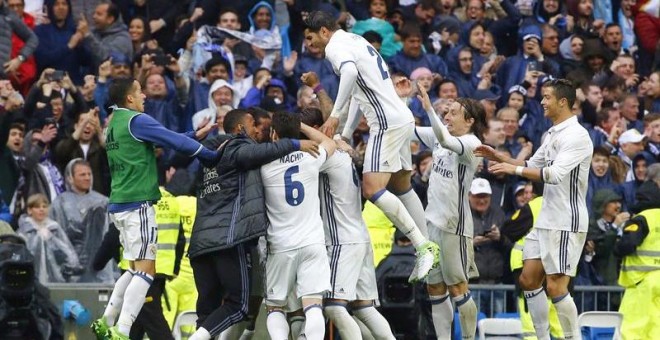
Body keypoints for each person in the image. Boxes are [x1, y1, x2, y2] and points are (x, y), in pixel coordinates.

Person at [303, 10, 439, 282]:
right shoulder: (356, 41)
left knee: (372, 188)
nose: (308, 44)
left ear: (325, 32)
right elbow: (357, 90)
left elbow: (350, 74)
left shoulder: (335, 48)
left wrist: (335, 116)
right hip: (400, 118)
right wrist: (348, 132)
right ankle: (430, 245)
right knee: (401, 186)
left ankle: (423, 246)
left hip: (385, 124)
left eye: (310, 37)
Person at [90, 77, 219, 340]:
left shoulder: (113, 124)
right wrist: (211, 155)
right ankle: (122, 331)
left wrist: (193, 135)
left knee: (133, 268)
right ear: (129, 98)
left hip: (119, 204)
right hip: (139, 203)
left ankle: (106, 320)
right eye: (139, 91)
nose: (144, 96)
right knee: (147, 272)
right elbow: (173, 142)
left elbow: (162, 139)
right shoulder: (136, 120)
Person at [475, 78, 593, 340]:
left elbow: (553, 174)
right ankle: (542, 338)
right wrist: (497, 156)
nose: (542, 102)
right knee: (528, 279)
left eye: (547, 97)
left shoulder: (577, 136)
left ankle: (573, 338)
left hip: (566, 220)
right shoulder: (551, 133)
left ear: (563, 101)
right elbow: (528, 163)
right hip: (546, 219)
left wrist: (513, 169)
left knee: (556, 286)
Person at [187, 109, 318, 340]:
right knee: (238, 305)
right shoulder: (236, 146)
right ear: (240, 129)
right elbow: (252, 155)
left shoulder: (208, 155)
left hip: (201, 242)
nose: (258, 131)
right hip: (228, 238)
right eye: (253, 125)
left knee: (207, 313)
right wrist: (296, 144)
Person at [300, 108, 395, 340]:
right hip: (359, 237)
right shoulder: (341, 152)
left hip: (342, 240)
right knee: (364, 309)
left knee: (333, 307)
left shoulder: (326, 156)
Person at [414, 84, 487, 340]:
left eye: (453, 112)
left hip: (453, 226)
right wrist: (398, 99)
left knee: (458, 287)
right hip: (431, 224)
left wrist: (427, 108)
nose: (447, 116)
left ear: (469, 120)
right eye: (446, 112)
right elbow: (409, 131)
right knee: (435, 287)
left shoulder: (471, 143)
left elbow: (444, 139)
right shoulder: (440, 134)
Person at [261, 112, 335, 340]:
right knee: (313, 306)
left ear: (273, 134)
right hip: (312, 242)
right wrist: (300, 126)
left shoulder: (264, 167)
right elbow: (329, 142)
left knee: (275, 308)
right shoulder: (311, 157)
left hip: (280, 245)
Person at [614, 166, 660, 340]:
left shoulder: (642, 218)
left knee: (631, 330)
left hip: (642, 282)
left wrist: (618, 245)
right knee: (655, 330)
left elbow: (626, 245)